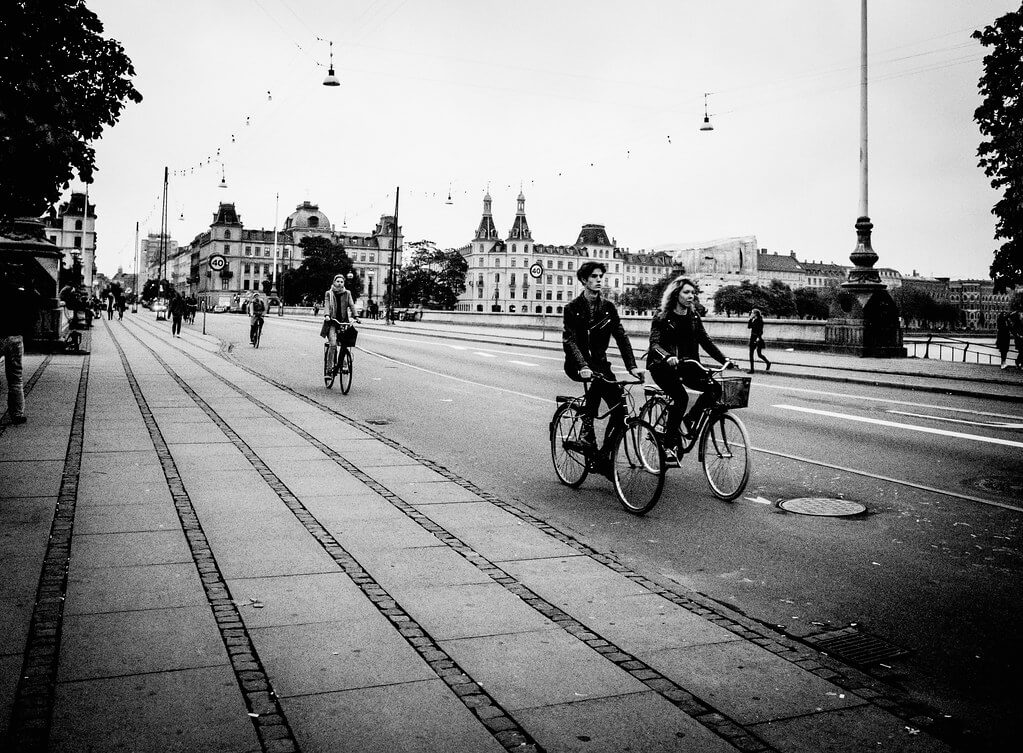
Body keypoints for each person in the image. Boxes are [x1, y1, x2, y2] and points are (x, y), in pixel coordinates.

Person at [647, 277, 735, 450]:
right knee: (681, 397)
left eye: (693, 293)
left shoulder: (693, 316)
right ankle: (669, 443)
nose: (690, 296)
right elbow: (654, 343)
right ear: (675, 294)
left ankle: (690, 419)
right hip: (663, 367)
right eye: (686, 292)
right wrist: (667, 356)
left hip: (689, 365)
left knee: (715, 389)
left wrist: (724, 359)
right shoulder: (662, 315)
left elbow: (705, 341)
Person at [563, 260, 640, 454]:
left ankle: (605, 455)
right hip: (577, 364)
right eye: (594, 277)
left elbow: (621, 337)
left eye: (600, 277)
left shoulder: (608, 308)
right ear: (583, 280)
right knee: (596, 381)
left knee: (620, 410)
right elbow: (570, 340)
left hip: (600, 365)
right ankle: (586, 433)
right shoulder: (572, 308)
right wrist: (582, 365)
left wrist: (632, 366)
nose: (598, 280)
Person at [0, 266, 39, 425]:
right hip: (15, 337)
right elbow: (31, 314)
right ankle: (18, 413)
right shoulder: (20, 293)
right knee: (15, 378)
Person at [322, 273, 359, 368]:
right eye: (337, 281)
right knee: (333, 344)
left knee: (345, 344)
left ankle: (342, 362)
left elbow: (351, 305)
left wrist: (356, 316)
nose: (339, 283)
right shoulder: (329, 293)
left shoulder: (347, 293)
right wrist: (327, 315)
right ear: (334, 282)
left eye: (341, 282)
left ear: (344, 283)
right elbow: (326, 305)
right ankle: (329, 367)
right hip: (332, 322)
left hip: (343, 322)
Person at [747, 308, 771, 372]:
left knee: (759, 354)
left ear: (755, 314)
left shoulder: (760, 321)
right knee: (751, 354)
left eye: (752, 313)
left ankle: (768, 363)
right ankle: (752, 369)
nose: (751, 314)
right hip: (753, 338)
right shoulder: (754, 320)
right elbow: (749, 327)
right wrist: (750, 319)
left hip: (757, 338)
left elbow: (760, 331)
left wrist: (758, 338)